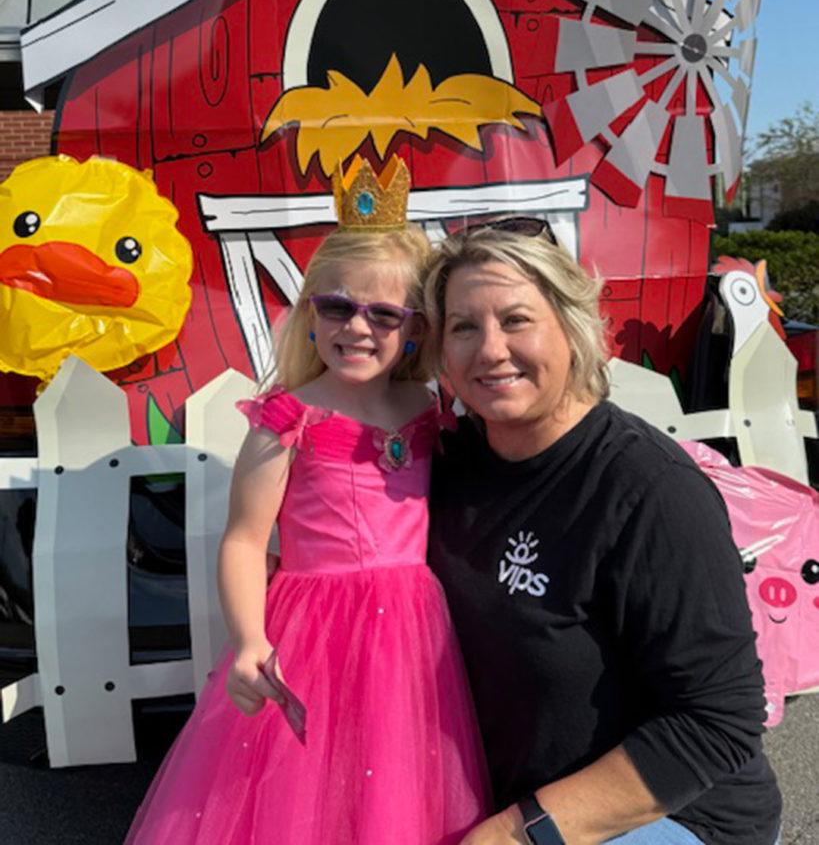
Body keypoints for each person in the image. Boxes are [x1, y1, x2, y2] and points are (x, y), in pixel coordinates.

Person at [126, 214, 489, 844]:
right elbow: (244, 538)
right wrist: (247, 641)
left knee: (397, 775)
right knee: (304, 782)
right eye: (337, 306)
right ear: (310, 313)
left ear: (414, 330)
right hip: (314, 628)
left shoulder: (429, 410)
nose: (356, 328)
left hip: (412, 628)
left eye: (383, 314)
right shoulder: (289, 419)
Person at [423, 219, 781, 845]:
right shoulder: (450, 467)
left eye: (515, 320)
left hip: (670, 817)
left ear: (571, 326)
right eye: (463, 326)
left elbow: (718, 720)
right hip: (498, 799)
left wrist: (519, 833)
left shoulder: (648, 489)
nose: (489, 349)